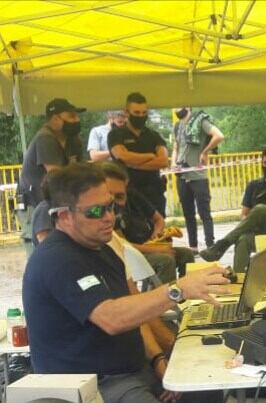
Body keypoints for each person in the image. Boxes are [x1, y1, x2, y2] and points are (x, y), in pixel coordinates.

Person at [22, 163, 229, 403]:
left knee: (208, 384)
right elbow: (111, 318)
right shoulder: (56, 259)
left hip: (135, 372)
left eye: (111, 206)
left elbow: (135, 318)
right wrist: (177, 290)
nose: (110, 217)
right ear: (64, 216)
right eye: (97, 211)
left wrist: (159, 361)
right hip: (95, 386)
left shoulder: (103, 249)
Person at [200, 144, 266, 272]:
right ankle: (240, 280)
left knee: (261, 209)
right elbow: (244, 215)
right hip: (257, 234)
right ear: (261, 163)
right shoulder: (253, 186)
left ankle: (223, 244)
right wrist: (252, 222)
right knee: (242, 240)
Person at [100, 162, 194, 283]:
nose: (113, 202)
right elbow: (122, 246)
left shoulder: (132, 196)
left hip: (144, 246)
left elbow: (158, 220)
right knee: (165, 260)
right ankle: (164, 299)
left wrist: (156, 237)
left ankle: (185, 292)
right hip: (127, 254)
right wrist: (154, 249)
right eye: (109, 195)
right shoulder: (105, 214)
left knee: (186, 254)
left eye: (119, 196)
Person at [16, 98, 85, 257]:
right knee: (42, 254)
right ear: (55, 119)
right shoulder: (45, 138)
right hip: (35, 205)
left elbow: (82, 171)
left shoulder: (73, 141)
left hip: (57, 203)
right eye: (71, 116)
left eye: (76, 116)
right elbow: (56, 175)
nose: (77, 120)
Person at [171, 107, 225, 253]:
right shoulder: (177, 126)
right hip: (182, 176)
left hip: (199, 176)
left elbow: (219, 136)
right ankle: (193, 247)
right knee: (188, 214)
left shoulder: (200, 120)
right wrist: (173, 164)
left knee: (204, 213)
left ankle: (210, 246)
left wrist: (205, 151)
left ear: (187, 106)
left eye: (178, 105)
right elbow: (176, 147)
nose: (176, 109)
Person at [109, 92, 169, 216]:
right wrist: (150, 156)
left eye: (144, 113)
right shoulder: (116, 134)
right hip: (128, 195)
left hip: (154, 194)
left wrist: (132, 163)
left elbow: (163, 161)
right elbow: (122, 156)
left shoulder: (154, 135)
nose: (141, 116)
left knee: (159, 231)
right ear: (126, 112)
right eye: (136, 113)